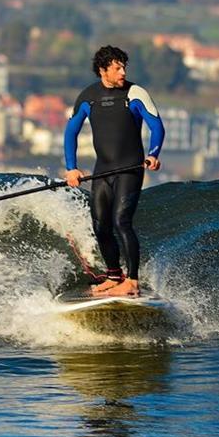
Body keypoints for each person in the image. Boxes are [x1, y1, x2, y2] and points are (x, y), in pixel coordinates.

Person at [64, 45, 165, 297]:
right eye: (117, 67)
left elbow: (157, 126)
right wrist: (71, 168)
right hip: (103, 171)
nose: (123, 72)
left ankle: (132, 281)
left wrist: (153, 154)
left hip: (130, 170)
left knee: (122, 221)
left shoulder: (135, 93)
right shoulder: (88, 96)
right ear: (103, 70)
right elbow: (71, 132)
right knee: (100, 225)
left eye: (124, 67)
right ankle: (113, 275)